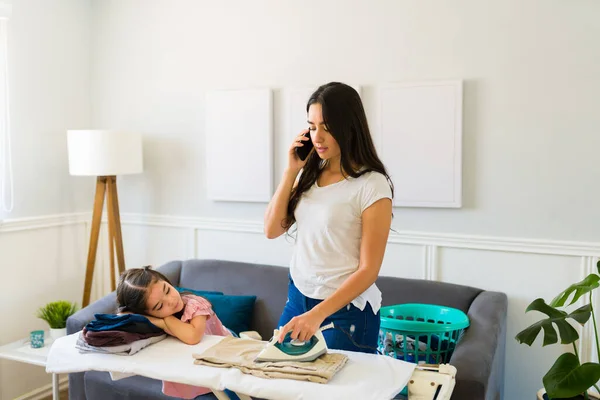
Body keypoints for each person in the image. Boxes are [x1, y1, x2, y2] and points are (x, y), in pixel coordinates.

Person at [264, 82, 394, 354]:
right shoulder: (308, 175)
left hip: (346, 313)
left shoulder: (372, 185)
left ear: (349, 127)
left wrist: (318, 314)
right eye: (312, 127)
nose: (317, 137)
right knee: (276, 384)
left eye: (327, 127)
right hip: (298, 300)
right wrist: (290, 171)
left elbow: (368, 270)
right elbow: (272, 229)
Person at [116, 266, 235, 399]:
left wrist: (164, 320)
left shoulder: (194, 304)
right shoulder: (151, 319)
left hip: (226, 344)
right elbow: (122, 318)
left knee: (231, 388)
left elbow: (193, 336)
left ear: (167, 281)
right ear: (146, 313)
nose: (171, 301)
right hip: (195, 358)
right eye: (160, 306)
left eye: (167, 290)